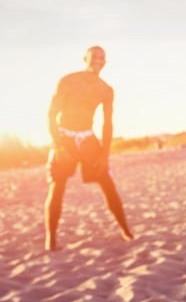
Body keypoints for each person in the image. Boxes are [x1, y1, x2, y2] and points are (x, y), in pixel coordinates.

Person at [44, 46, 133, 251]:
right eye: (94, 57)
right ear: (85, 58)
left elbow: (107, 124)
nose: (98, 61)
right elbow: (51, 114)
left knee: (109, 186)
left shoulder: (106, 89)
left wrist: (104, 155)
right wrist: (58, 146)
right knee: (56, 188)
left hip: (87, 139)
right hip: (64, 138)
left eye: (102, 58)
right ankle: (51, 240)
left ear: (106, 62)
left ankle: (126, 231)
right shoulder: (67, 81)